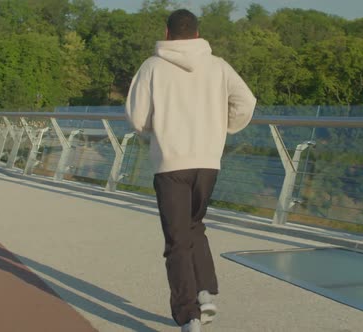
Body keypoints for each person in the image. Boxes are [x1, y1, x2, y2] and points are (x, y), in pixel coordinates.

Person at [125, 9, 256, 332]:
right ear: (198, 34)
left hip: (171, 163)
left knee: (177, 240)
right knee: (195, 225)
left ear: (167, 34)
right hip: (208, 162)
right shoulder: (218, 66)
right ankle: (205, 292)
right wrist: (222, 129)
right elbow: (247, 102)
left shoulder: (152, 67)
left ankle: (189, 316)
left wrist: (157, 130)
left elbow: (137, 117)